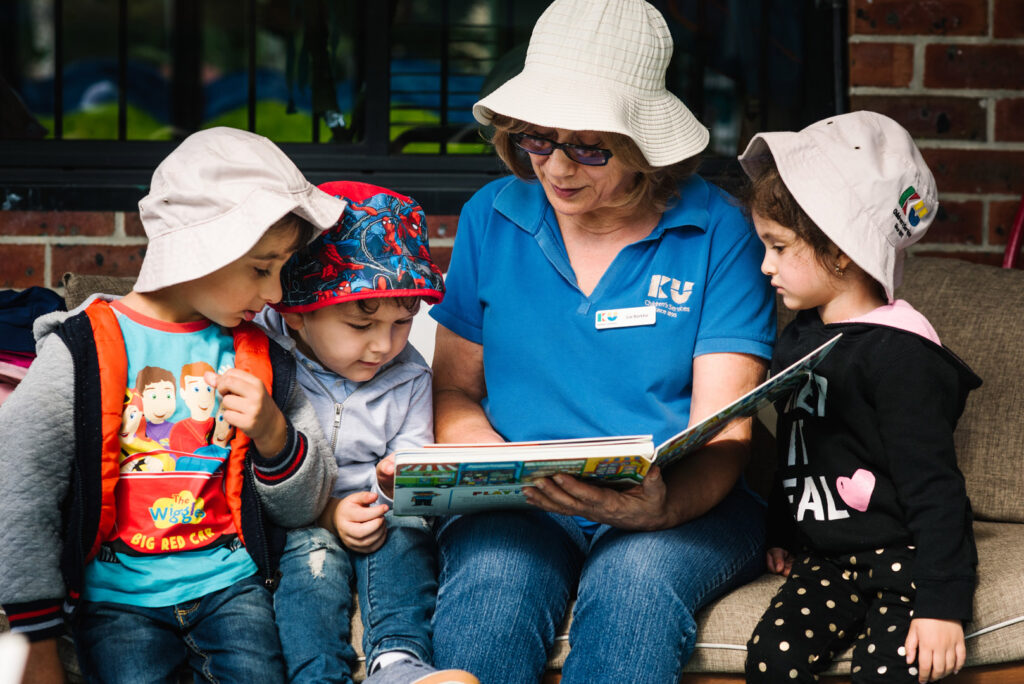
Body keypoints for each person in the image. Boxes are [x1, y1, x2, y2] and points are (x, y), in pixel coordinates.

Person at [426, 1, 776, 682]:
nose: (556, 167)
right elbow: (455, 390)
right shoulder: (490, 218)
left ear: (645, 145)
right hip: (524, 500)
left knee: (634, 588)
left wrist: (665, 506)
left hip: (680, 499)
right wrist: (493, 469)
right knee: (494, 586)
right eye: (536, 137)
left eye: (589, 147)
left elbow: (725, 433)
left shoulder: (719, 234)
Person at [0, 127, 343, 683]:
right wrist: (35, 631)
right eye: (262, 268)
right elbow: (19, 482)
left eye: (282, 268)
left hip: (232, 590)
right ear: (199, 249)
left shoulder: (262, 357)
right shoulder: (81, 352)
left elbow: (304, 507)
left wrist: (274, 433)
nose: (277, 294)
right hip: (117, 603)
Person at [738, 111, 981, 684]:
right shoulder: (799, 337)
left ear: (840, 250)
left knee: (889, 671)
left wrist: (943, 605)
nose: (766, 266)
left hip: (904, 562)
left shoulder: (900, 355)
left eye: (778, 247)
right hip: (825, 561)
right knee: (770, 659)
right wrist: (783, 532)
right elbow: (801, 447)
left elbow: (935, 486)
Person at [256, 180, 477, 684]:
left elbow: (415, 466)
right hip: (296, 520)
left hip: (376, 512)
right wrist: (329, 515)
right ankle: (318, 674)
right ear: (298, 312)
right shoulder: (262, 359)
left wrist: (394, 485)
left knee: (404, 536)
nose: (384, 346)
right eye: (361, 325)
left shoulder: (411, 377)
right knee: (310, 560)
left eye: (403, 323)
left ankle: (398, 662)